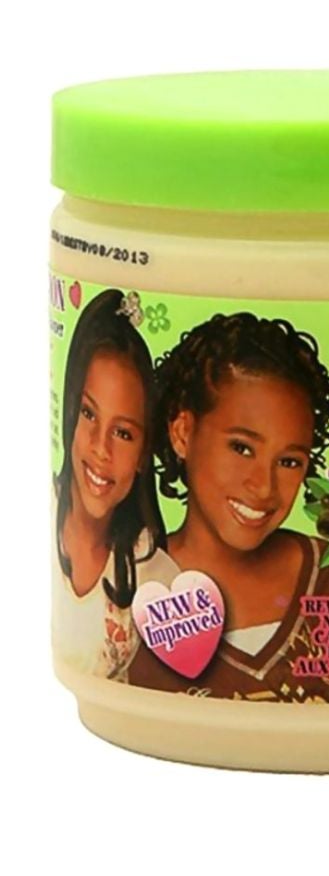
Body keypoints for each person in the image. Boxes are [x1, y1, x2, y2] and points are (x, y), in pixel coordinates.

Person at [128, 312, 329, 702]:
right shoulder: (128, 581)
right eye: (241, 448)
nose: (264, 486)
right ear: (182, 433)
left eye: (289, 461)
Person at [52, 289, 174, 680]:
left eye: (123, 433)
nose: (101, 449)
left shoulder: (153, 572)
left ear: (143, 455)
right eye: (88, 413)